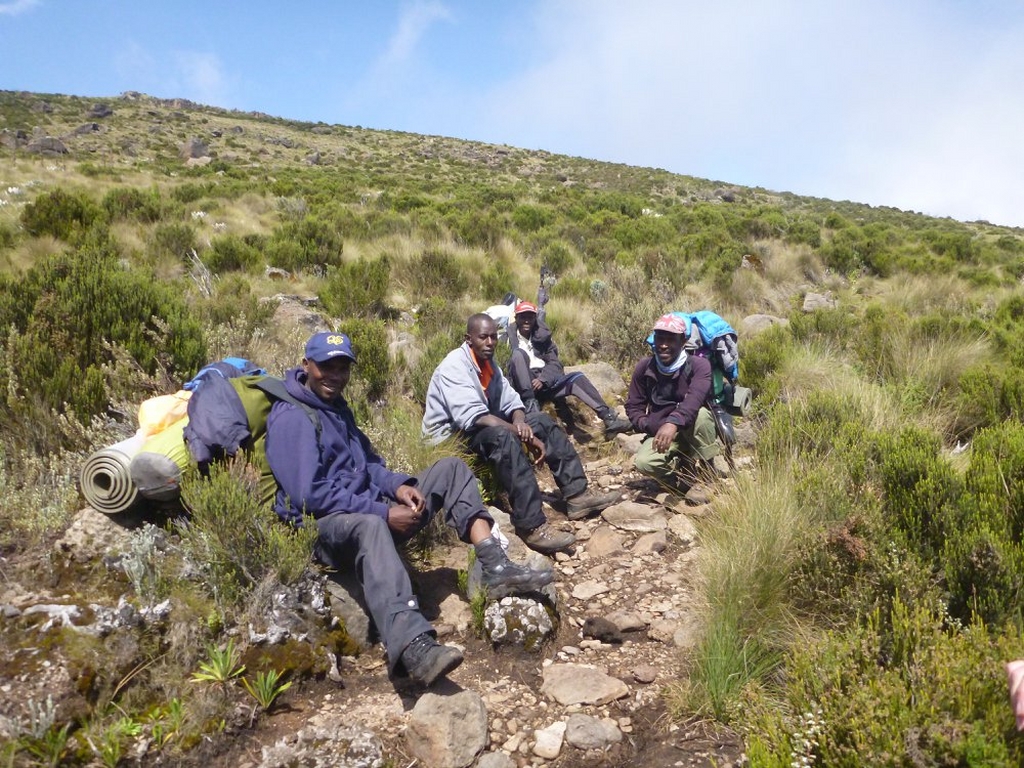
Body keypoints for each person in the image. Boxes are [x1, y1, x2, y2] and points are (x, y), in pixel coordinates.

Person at [265, 331, 554, 687]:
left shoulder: (337, 407)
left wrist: (398, 487)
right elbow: (308, 495)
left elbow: (369, 465)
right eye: (326, 367)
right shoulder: (292, 417)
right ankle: (412, 646)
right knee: (370, 526)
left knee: (449, 469)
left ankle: (494, 565)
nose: (335, 375)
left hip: (362, 509)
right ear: (306, 365)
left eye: (343, 368)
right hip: (321, 527)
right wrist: (382, 513)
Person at [422, 314, 621, 549]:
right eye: (483, 337)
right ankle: (532, 526)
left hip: (478, 427)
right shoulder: (454, 367)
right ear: (468, 339)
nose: (490, 342)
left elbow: (512, 401)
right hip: (450, 439)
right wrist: (520, 432)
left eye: (494, 337)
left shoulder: (488, 364)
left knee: (540, 421)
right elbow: (474, 417)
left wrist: (521, 423)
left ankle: (577, 495)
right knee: (504, 437)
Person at [505, 300, 632, 438]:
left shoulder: (542, 337)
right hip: (523, 384)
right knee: (519, 354)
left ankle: (608, 417)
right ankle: (531, 407)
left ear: (535, 318)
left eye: (530, 317)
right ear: (516, 318)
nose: (526, 321)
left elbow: (555, 363)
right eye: (523, 317)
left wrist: (544, 378)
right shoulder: (506, 339)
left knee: (576, 378)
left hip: (544, 382)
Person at [625, 313, 721, 493]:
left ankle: (709, 471)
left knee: (701, 414)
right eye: (659, 338)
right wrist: (648, 424)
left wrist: (673, 422)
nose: (663, 345)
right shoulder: (645, 367)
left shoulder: (700, 366)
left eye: (671, 339)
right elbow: (633, 406)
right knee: (644, 463)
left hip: (692, 427)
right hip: (660, 432)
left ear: (683, 341)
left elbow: (694, 400)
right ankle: (679, 478)